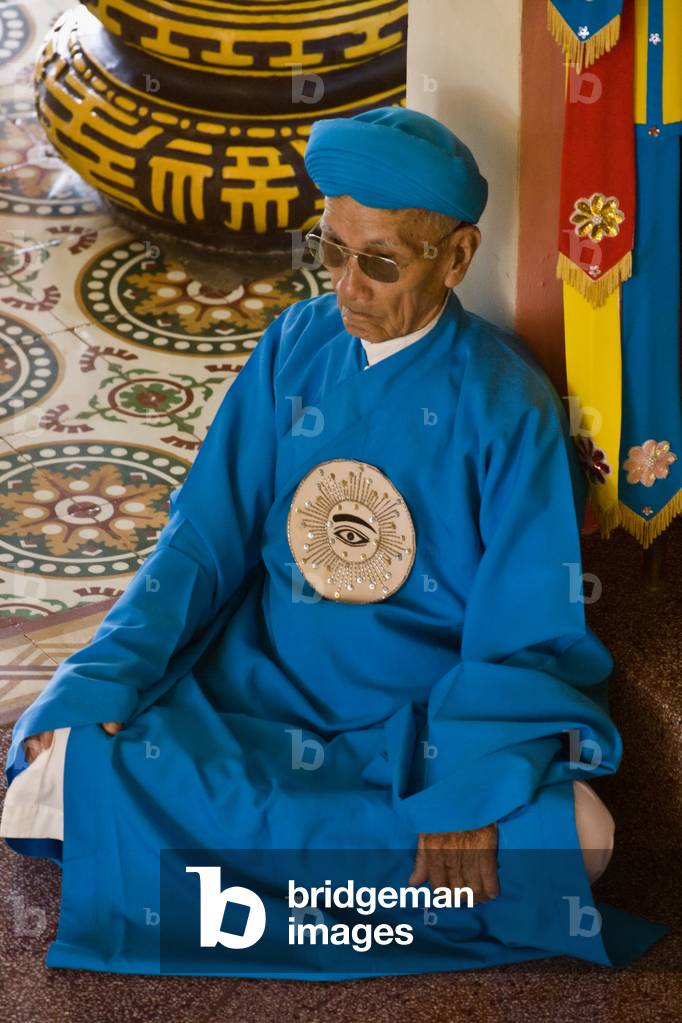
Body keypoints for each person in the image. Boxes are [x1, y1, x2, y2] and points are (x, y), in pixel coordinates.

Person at [1, 106, 667, 976]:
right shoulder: (295, 346)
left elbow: (527, 624)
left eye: (381, 262)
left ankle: (214, 878)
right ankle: (360, 890)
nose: (348, 287)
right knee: (44, 780)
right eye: (332, 251)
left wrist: (467, 785)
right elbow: (203, 539)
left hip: (414, 734)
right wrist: (103, 675)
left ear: (456, 257)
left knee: (578, 837)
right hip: (253, 699)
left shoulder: (507, 402)